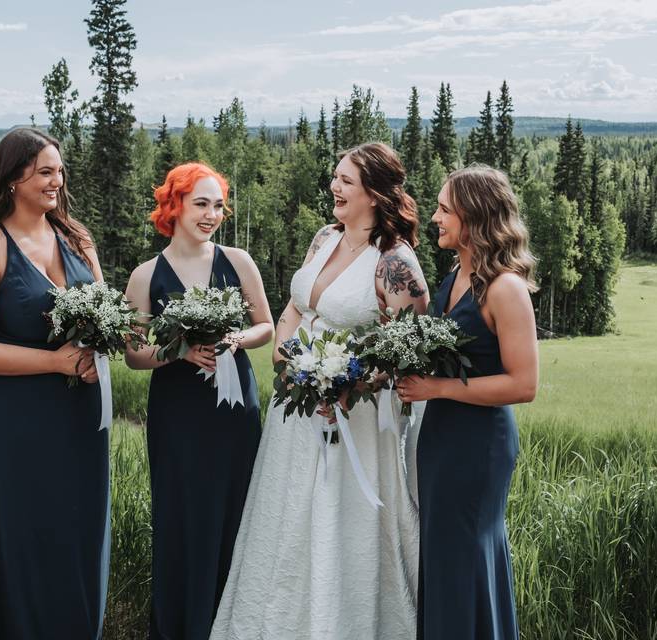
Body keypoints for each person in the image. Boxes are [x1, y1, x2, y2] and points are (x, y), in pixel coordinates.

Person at [211, 143, 429, 639]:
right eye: (335, 177)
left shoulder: (395, 262)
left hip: (355, 416)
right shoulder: (324, 237)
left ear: (375, 194)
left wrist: (349, 386)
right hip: (296, 409)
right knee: (286, 518)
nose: (334, 187)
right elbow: (294, 308)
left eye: (346, 181)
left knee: (340, 524)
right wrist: (288, 357)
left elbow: (408, 349)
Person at [0, 128, 108, 639]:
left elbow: (104, 316)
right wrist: (56, 363)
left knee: (77, 532)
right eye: (45, 171)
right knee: (26, 534)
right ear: (14, 177)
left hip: (81, 416)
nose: (57, 182)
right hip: (16, 424)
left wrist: (96, 352)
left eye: (60, 171)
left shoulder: (77, 240)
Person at [124, 162, 273, 640]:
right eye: (200, 203)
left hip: (235, 413)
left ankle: (235, 625)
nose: (211, 214)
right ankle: (182, 626)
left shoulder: (239, 261)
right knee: (183, 515)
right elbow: (132, 354)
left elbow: (265, 326)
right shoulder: (146, 276)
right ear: (174, 206)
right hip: (178, 414)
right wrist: (181, 352)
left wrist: (237, 339)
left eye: (218, 205)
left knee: (237, 510)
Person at [395, 165, 538, 640]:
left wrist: (439, 389)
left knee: (466, 554)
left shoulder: (506, 289)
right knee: (441, 556)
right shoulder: (457, 274)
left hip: (478, 445)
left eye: (443, 209)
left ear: (473, 218)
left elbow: (523, 384)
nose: (435, 217)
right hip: (440, 438)